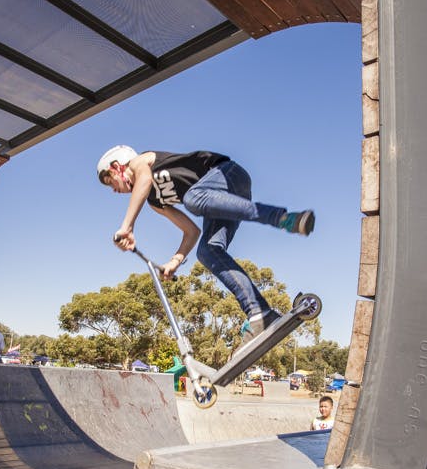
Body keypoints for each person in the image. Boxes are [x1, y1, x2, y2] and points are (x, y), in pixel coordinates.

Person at [98, 146, 314, 345]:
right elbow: (191, 231)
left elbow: (144, 178)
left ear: (117, 167)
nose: (114, 191)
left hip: (228, 174)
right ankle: (261, 313)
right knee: (207, 251)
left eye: (110, 183)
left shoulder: (139, 162)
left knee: (193, 198)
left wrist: (127, 226)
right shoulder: (155, 203)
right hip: (224, 203)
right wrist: (175, 261)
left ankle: (283, 218)